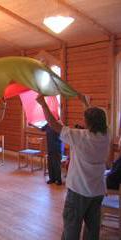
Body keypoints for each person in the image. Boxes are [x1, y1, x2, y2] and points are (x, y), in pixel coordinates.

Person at [36, 93, 110, 240]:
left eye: (85, 119)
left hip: (78, 191)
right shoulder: (106, 135)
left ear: (88, 123)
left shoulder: (80, 137)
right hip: (97, 191)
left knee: (71, 228)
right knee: (92, 230)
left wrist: (43, 104)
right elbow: (93, 119)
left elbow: (54, 125)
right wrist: (85, 103)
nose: (83, 120)